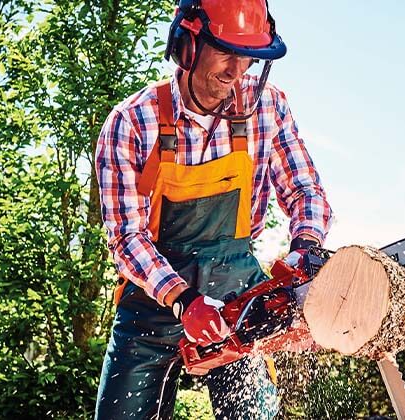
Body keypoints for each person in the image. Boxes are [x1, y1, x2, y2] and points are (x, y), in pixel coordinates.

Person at [93, 0, 332, 418]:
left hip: (239, 298)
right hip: (153, 304)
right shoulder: (132, 123)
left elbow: (305, 189)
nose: (236, 70)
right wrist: (185, 300)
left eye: (248, 56)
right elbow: (126, 238)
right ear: (187, 47)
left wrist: (306, 248)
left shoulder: (266, 107)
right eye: (225, 51)